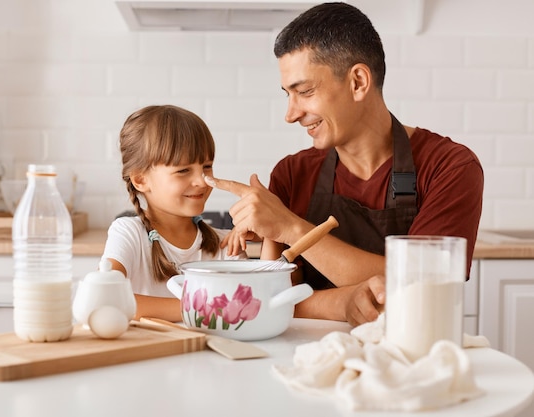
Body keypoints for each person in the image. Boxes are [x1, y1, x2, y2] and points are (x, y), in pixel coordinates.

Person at [210, 2, 484, 326]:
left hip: (410, 361)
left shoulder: (449, 168)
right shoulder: (292, 174)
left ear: (357, 82)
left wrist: (290, 226)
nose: (291, 114)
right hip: (303, 361)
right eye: (288, 94)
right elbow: (276, 301)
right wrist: (341, 304)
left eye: (305, 91)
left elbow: (425, 288)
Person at [102, 105, 247, 321]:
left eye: (207, 167)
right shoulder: (129, 233)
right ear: (141, 179)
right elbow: (106, 298)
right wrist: (204, 308)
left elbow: (255, 306)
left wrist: (271, 232)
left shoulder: (226, 245)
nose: (201, 181)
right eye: (183, 170)